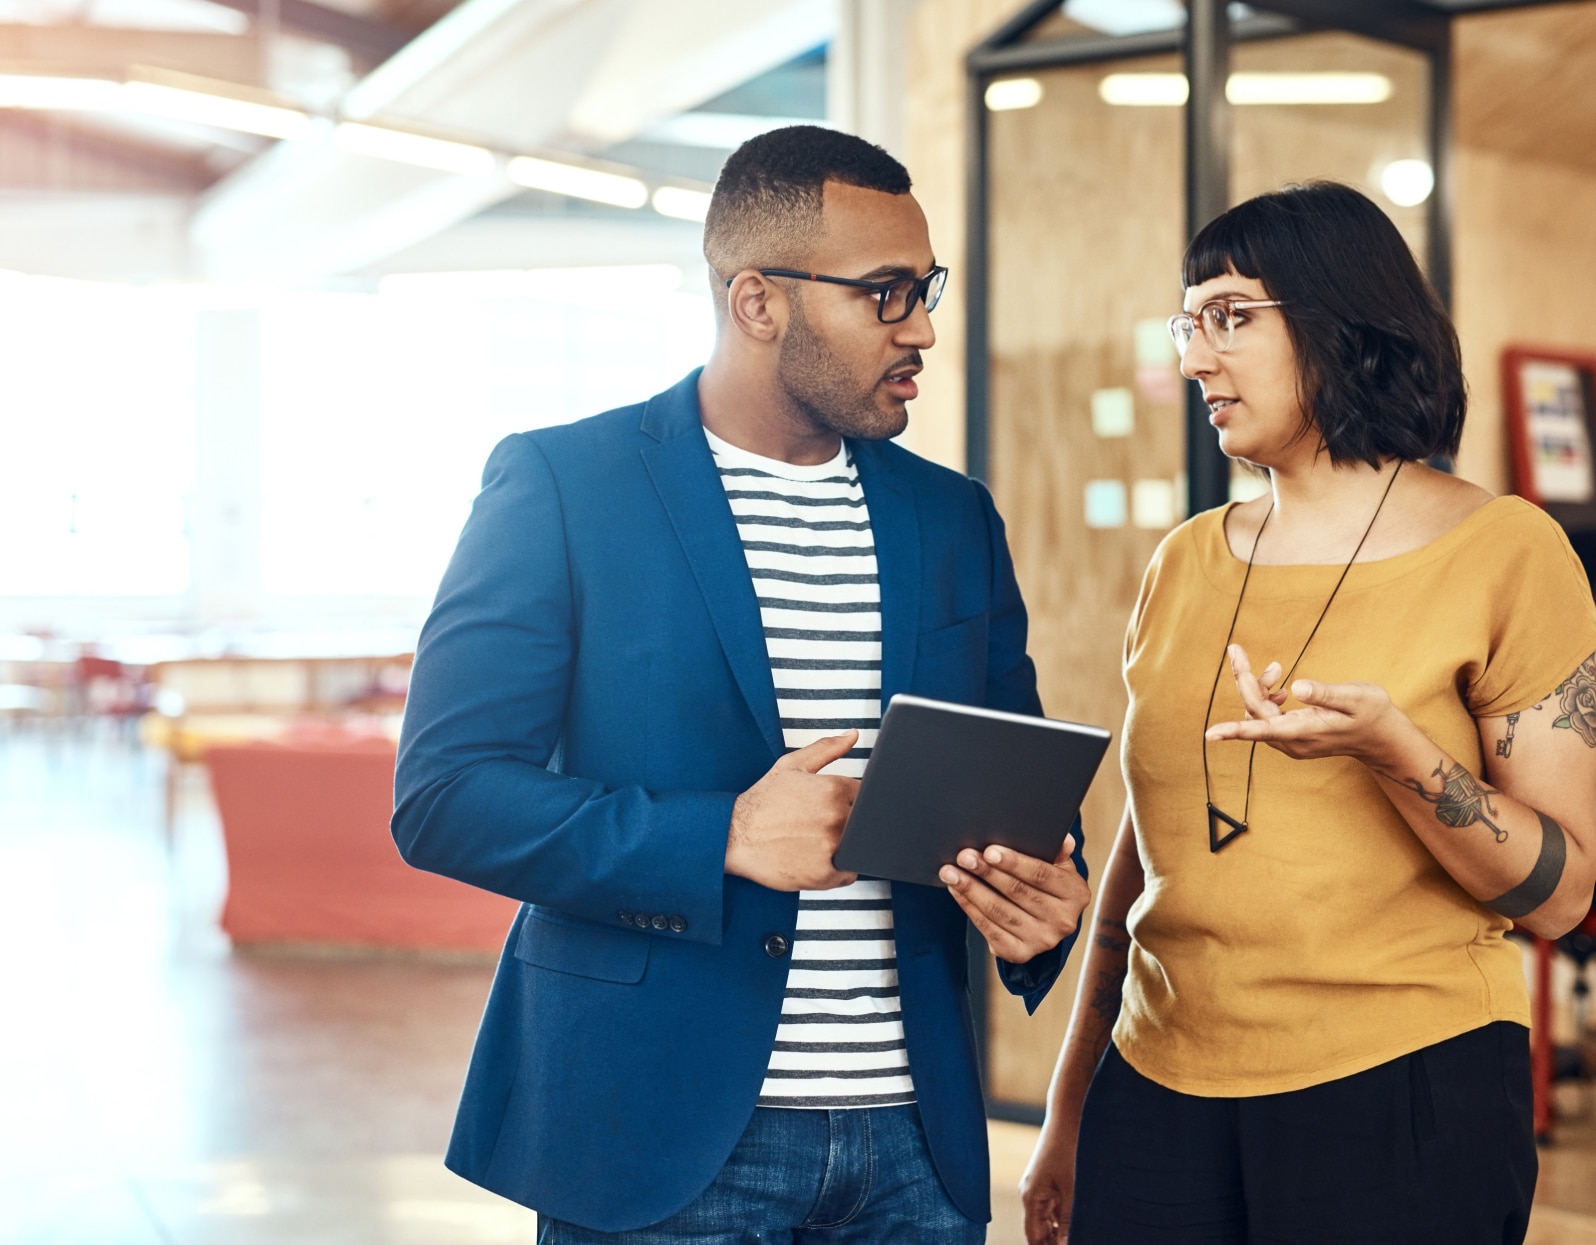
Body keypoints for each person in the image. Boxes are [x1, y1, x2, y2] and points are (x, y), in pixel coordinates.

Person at [392, 124, 1092, 1244]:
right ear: (758, 302)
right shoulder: (565, 486)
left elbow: (1013, 787)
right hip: (656, 1137)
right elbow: (445, 798)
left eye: (926, 291)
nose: (919, 329)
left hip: (915, 1149)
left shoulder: (951, 518)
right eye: (885, 294)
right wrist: (718, 834)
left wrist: (1044, 903)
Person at [1020, 182, 1596, 1245]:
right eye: (1188, 321)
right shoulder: (1183, 561)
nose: (1196, 357)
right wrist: (1070, 1108)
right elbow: (1148, 859)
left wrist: (1397, 755)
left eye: (1231, 316)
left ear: (1344, 324)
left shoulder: (1507, 552)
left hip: (1402, 1095)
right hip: (1158, 1089)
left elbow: (1561, 893)